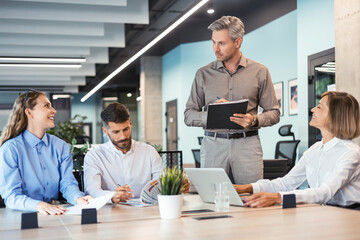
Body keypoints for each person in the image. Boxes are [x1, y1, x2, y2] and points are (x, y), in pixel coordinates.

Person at [184, 16, 280, 184]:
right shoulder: (203, 74)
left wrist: (254, 120)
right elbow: (188, 115)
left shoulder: (260, 71)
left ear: (237, 42)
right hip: (213, 145)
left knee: (250, 199)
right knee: (212, 201)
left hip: (247, 145)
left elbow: (274, 113)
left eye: (221, 43)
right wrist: (213, 115)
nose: (215, 49)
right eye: (213, 42)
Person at [234, 91, 360, 208]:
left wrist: (278, 198)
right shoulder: (314, 150)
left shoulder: (350, 153)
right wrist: (245, 188)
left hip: (349, 214)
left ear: (335, 115)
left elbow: (324, 193)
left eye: (319, 107)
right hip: (323, 211)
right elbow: (286, 183)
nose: (312, 109)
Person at [0, 90, 92, 215]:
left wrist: (78, 198)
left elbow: (68, 184)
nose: (54, 111)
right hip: (21, 216)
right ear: (29, 112)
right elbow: (11, 197)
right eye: (46, 106)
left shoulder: (61, 146)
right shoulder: (11, 149)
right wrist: (39, 205)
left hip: (53, 213)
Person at [84, 103, 165, 203]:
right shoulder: (94, 156)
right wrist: (111, 196)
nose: (123, 137)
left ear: (130, 123)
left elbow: (162, 182)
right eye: (116, 132)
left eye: (126, 129)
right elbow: (91, 190)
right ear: (105, 131)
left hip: (145, 209)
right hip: (110, 211)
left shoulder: (149, 152)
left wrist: (176, 187)